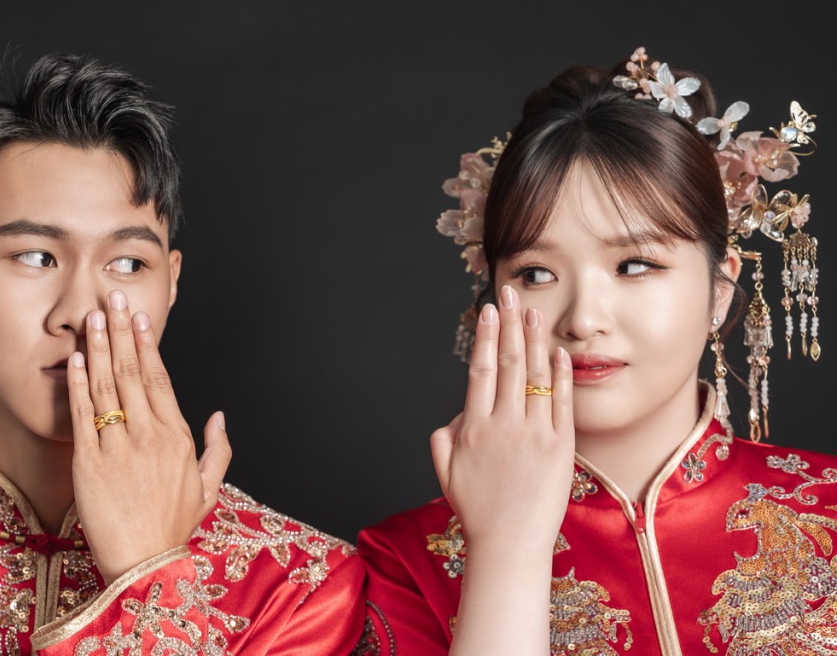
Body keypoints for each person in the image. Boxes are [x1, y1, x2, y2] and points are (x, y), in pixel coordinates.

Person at [0, 52, 365, 654]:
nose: (80, 313)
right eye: (35, 256)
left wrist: (150, 568)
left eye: (127, 263)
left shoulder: (301, 588)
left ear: (171, 284)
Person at [354, 47, 835, 655]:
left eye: (634, 265)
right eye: (536, 274)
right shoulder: (404, 565)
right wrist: (505, 549)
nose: (582, 319)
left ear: (719, 290)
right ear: (493, 298)